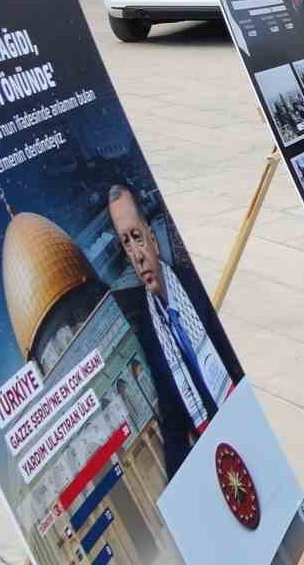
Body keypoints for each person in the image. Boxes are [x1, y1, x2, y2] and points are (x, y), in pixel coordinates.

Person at [108, 184, 243, 478]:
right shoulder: (149, 330)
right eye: (125, 245)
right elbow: (172, 421)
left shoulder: (198, 288)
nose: (136, 255)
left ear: (153, 240)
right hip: (221, 459)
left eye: (136, 238)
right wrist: (178, 490)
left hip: (247, 423)